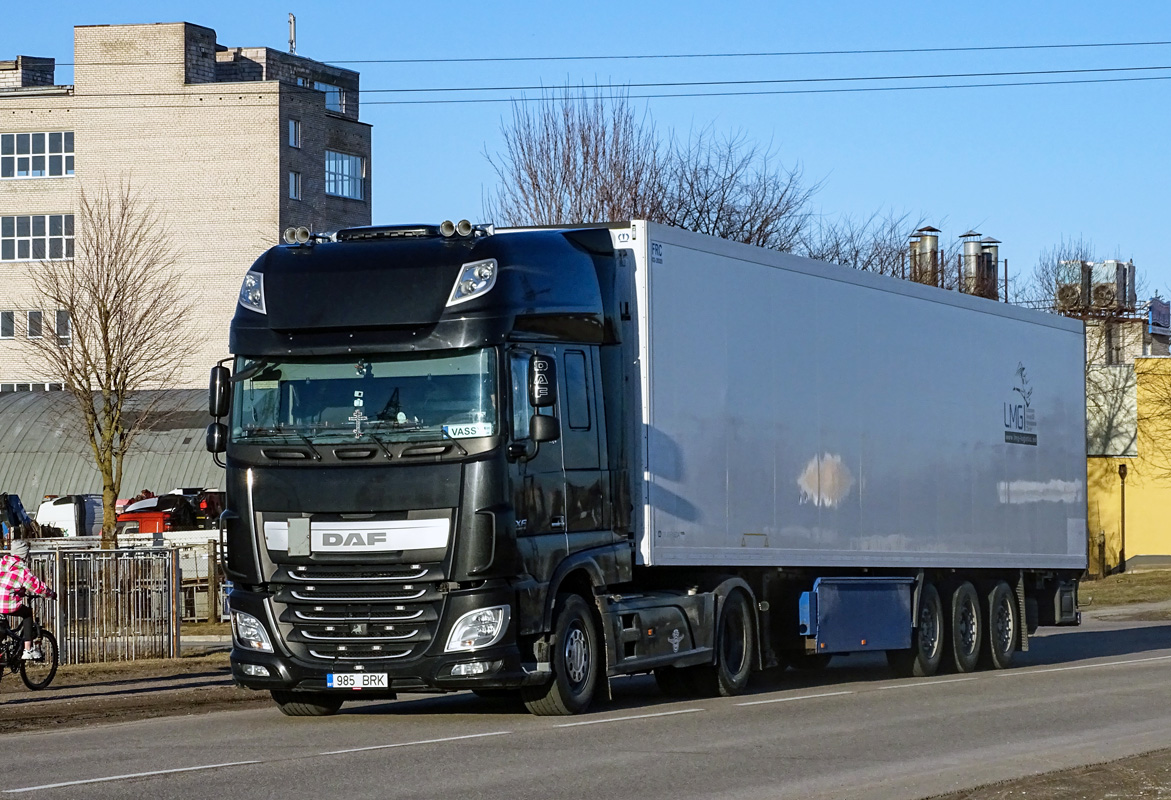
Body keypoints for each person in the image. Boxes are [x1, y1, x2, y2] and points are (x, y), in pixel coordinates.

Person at [0, 540, 56, 660]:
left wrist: (19, 591)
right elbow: (38, 587)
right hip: (7, 603)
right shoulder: (22, 569)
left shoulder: (2, 563)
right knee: (27, 613)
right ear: (25, 555)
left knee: (4, 623)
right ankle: (28, 649)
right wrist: (51, 594)